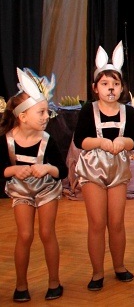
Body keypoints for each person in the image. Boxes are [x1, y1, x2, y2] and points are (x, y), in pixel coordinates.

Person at [74, 42, 134, 291]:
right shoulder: (87, 111)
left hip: (118, 171)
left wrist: (124, 141)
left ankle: (119, 266)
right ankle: (97, 272)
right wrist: (100, 142)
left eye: (115, 83)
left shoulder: (128, 112)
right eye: (104, 84)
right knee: (97, 223)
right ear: (95, 88)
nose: (110, 88)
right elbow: (80, 140)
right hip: (93, 171)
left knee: (117, 222)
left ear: (122, 87)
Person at [1, 69, 66, 302]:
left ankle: (54, 282)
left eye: (47, 112)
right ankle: (21, 285)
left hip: (46, 190)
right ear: (23, 116)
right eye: (41, 112)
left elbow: (62, 171)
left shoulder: (47, 140)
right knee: (25, 235)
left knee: (47, 233)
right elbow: (1, 170)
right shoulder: (7, 140)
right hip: (21, 192)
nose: (46, 116)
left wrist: (48, 168)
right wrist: (13, 170)